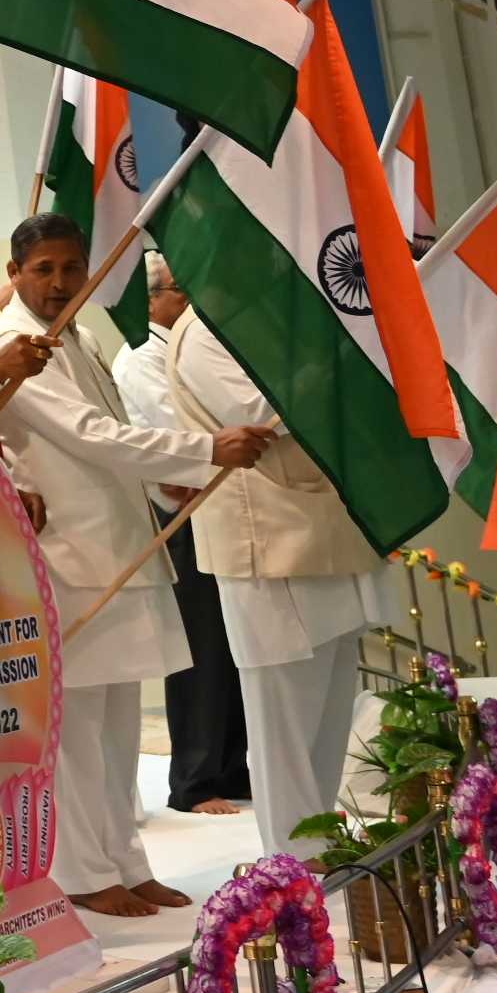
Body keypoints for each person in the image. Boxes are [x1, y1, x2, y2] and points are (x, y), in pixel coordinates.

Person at [0, 215, 269, 919]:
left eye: (71, 267)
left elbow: (115, 435)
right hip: (64, 557)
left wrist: (168, 478)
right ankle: (81, 872)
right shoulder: (15, 344)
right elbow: (91, 436)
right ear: (14, 274)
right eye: (43, 269)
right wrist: (204, 451)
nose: (59, 282)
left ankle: (126, 863)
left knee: (118, 730)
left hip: (118, 548)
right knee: (75, 733)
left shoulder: (80, 336)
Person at [166, 306, 381, 867]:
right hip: (263, 538)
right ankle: (292, 851)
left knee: (330, 705)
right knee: (283, 712)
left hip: (324, 528)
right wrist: (337, 356)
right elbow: (256, 411)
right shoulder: (201, 332)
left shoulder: (268, 317)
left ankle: (321, 836)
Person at [111, 255, 250, 822]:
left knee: (231, 645)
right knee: (201, 650)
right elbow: (182, 431)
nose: (189, 297)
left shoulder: (188, 347)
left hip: (221, 502)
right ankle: (194, 779)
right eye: (178, 288)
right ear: (150, 300)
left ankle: (232, 766)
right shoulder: (141, 356)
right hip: (183, 514)